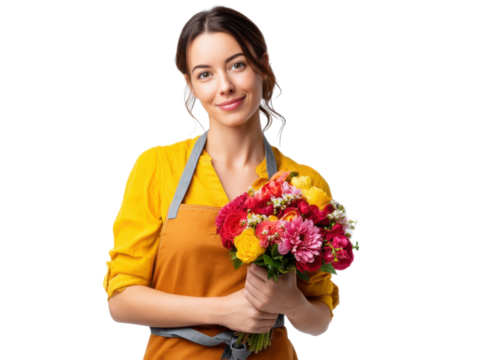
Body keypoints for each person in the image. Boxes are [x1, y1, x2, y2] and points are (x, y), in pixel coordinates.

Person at [102, 4, 341, 359]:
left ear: (263, 64)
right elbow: (120, 301)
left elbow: (319, 319)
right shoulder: (156, 166)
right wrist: (221, 311)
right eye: (205, 74)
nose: (225, 86)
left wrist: (291, 301)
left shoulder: (305, 182)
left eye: (237, 65)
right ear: (190, 85)